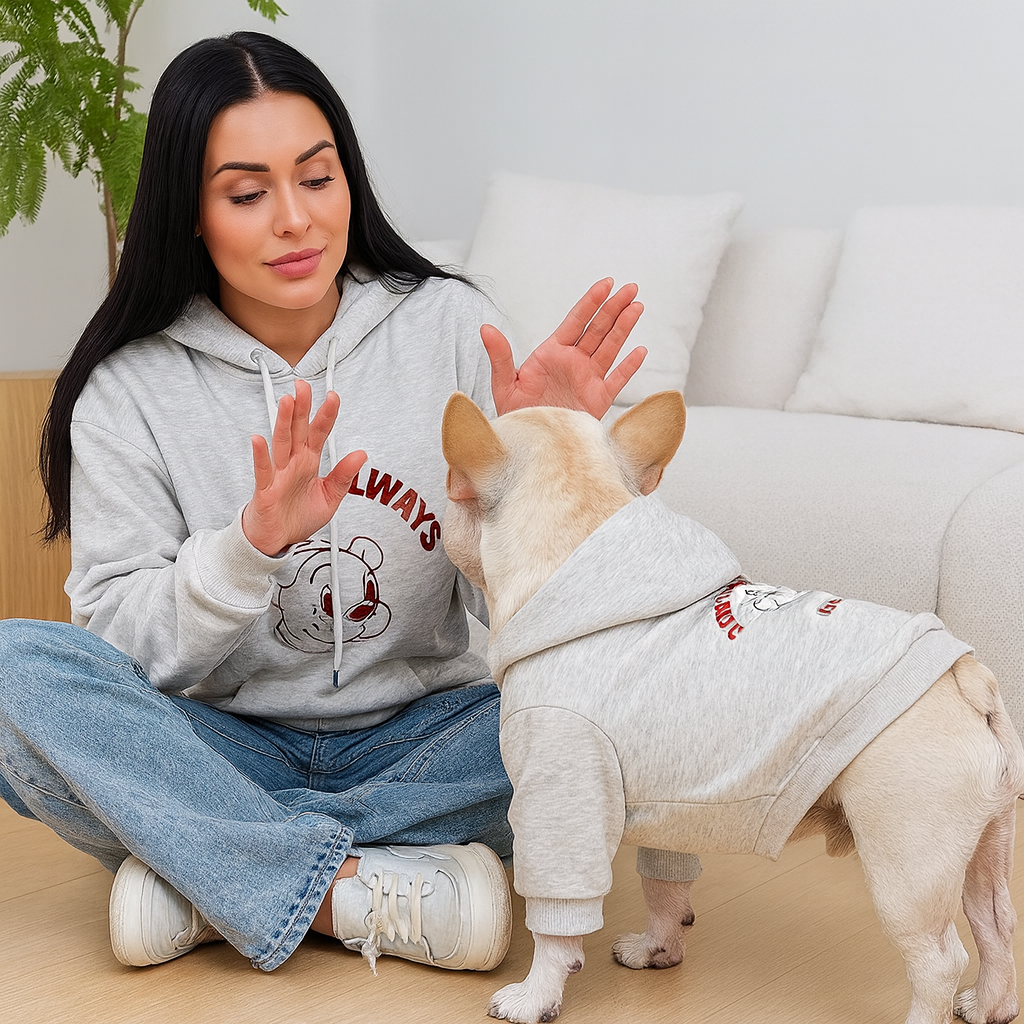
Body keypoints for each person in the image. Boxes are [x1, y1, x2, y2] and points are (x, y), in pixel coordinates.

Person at [0, 31, 645, 976]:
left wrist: (538, 473)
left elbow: (532, 617)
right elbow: (124, 648)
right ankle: (359, 890)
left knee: (599, 712)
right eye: (248, 193)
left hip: (426, 739)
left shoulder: (452, 327)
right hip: (219, 745)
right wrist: (249, 547)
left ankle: (209, 875)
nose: (296, 220)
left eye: (318, 178)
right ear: (190, 211)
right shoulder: (127, 389)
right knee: (14, 668)